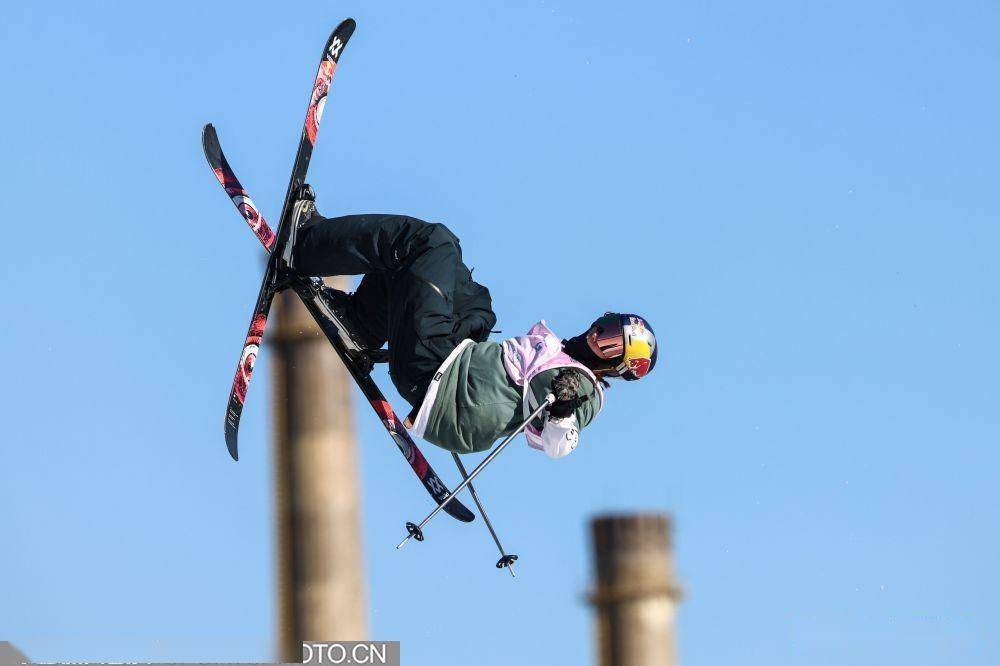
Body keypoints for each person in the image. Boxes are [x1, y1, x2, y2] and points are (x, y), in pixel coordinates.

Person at [283, 187, 659, 459]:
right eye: (607, 326)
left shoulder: (584, 388)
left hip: (440, 382)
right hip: (453, 367)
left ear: (615, 367)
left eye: (610, 344)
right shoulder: (560, 353)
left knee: (432, 243)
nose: (597, 336)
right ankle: (360, 323)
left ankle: (307, 244)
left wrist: (562, 409)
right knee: (469, 294)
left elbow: (561, 444)